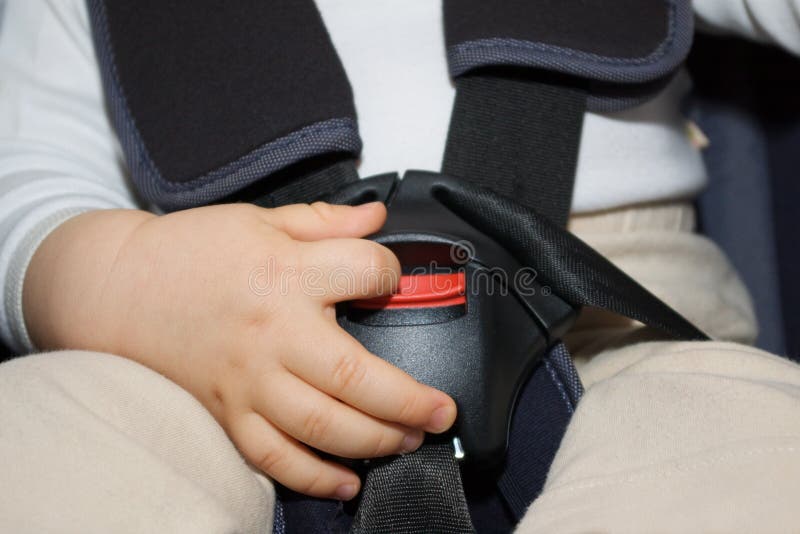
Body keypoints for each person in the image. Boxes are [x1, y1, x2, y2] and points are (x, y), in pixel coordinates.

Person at [1, 0, 799, 532]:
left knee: (739, 444)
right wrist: (131, 282)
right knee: (45, 441)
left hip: (603, 309)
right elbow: (28, 179)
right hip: (205, 337)